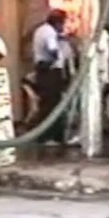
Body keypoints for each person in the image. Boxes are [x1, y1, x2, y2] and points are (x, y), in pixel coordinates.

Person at [31, 9, 69, 144]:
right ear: (58, 23)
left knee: (46, 103)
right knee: (52, 104)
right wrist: (57, 57)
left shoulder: (40, 30)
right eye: (62, 23)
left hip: (43, 71)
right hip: (50, 72)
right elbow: (52, 50)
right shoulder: (50, 33)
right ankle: (50, 136)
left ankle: (48, 135)